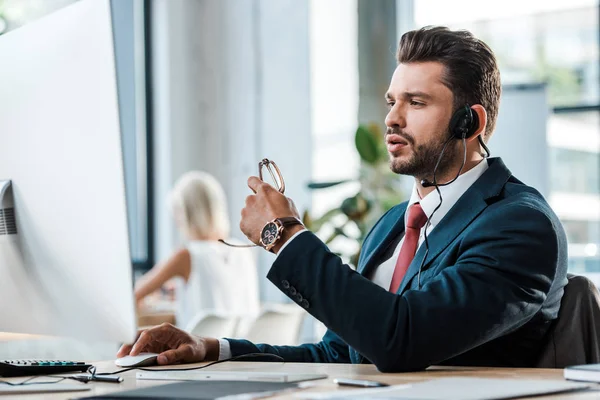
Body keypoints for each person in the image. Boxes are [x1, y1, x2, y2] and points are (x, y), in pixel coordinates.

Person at [118, 26, 568, 372]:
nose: (391, 118)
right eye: (392, 101)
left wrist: (285, 236)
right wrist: (211, 348)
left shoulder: (519, 226)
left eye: (415, 102)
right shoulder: (393, 225)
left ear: (469, 123)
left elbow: (401, 339)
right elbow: (339, 352)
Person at [134, 171, 260, 330]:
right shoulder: (242, 251)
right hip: (242, 350)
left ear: (184, 214)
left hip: (202, 351)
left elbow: (135, 293)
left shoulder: (187, 254)